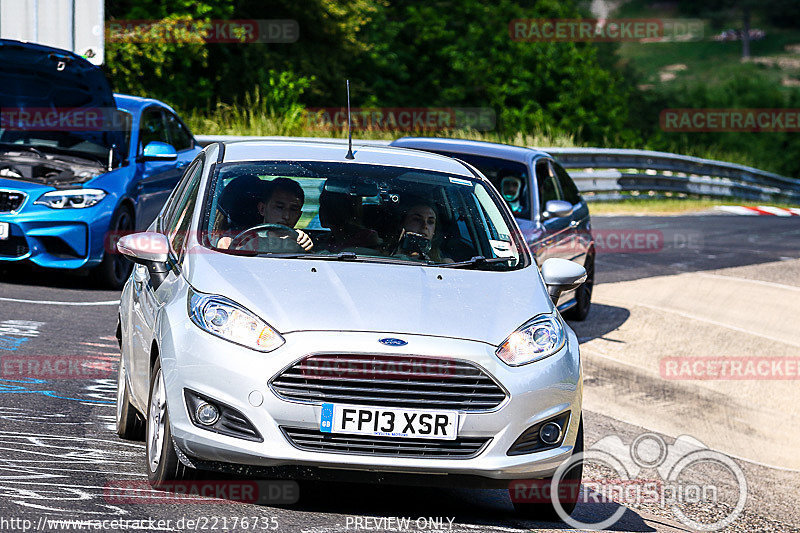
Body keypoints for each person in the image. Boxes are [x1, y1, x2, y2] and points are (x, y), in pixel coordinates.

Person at [217, 177, 313, 251]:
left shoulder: (302, 241)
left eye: (293, 209)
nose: (286, 216)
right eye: (279, 207)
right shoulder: (236, 241)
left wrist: (303, 244)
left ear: (299, 215)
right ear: (262, 209)